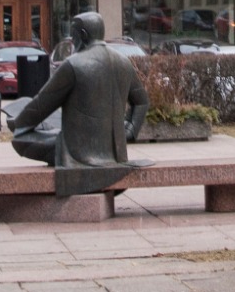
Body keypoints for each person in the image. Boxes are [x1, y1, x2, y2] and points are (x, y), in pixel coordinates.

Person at [11, 12, 150, 195]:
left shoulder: (73, 64)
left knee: (20, 139)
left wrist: (18, 123)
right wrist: (130, 131)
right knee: (51, 132)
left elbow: (41, 105)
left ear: (82, 35)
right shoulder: (124, 62)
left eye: (73, 34)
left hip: (79, 153)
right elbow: (142, 102)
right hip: (115, 152)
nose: (72, 40)